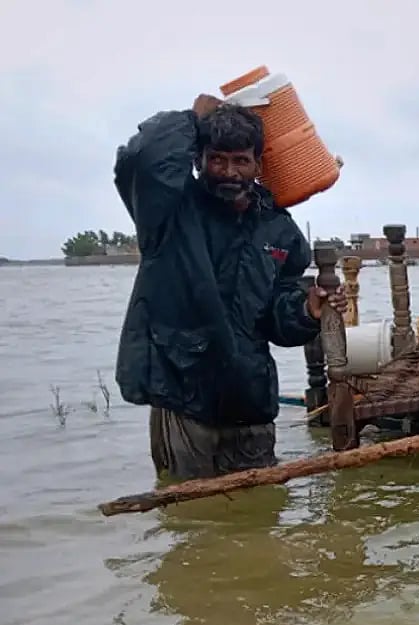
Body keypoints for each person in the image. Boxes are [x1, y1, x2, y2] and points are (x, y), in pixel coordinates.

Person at [113, 94, 348, 481]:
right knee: (191, 522)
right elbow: (142, 158)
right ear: (198, 159)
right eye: (217, 158)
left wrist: (308, 310)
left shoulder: (279, 230)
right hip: (184, 396)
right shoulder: (169, 212)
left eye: (241, 160)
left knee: (258, 520)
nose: (228, 171)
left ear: (258, 164)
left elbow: (277, 319)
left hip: (251, 399)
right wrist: (192, 117)